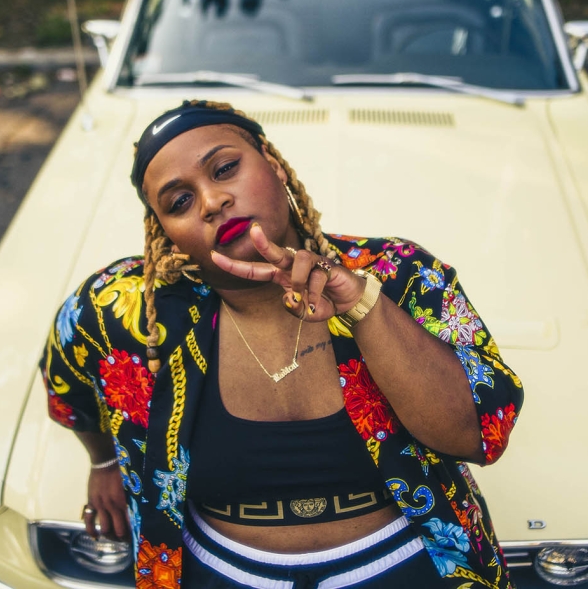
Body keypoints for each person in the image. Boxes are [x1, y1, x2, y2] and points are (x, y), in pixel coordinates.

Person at [39, 101, 523, 589]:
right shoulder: (119, 310)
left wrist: (361, 303)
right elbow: (66, 385)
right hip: (224, 571)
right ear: (165, 233)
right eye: (179, 202)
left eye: (225, 168)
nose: (210, 201)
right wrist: (103, 462)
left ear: (271, 162)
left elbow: (479, 436)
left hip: (402, 564)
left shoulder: (397, 273)